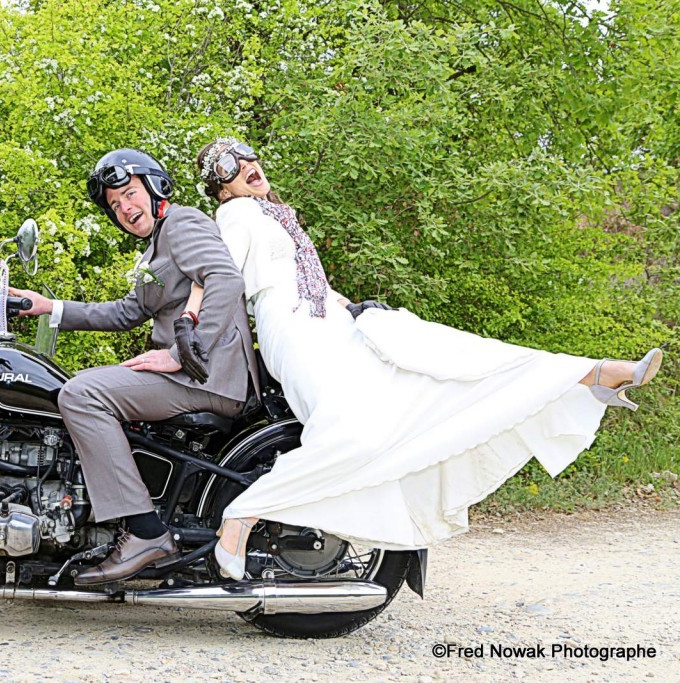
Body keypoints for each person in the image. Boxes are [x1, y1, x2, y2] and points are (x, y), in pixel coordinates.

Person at [187, 137, 664, 580]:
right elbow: (213, 272)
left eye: (248, 154)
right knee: (353, 436)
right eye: (230, 164)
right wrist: (190, 320)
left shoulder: (277, 216)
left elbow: (314, 283)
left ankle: (589, 374)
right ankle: (244, 513)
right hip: (293, 331)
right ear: (220, 186)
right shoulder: (236, 216)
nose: (248, 165)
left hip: (329, 323)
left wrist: (351, 307)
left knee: (438, 369)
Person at [10, 148, 259, 585]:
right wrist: (51, 308)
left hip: (206, 374)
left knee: (81, 394)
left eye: (129, 193)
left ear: (156, 188)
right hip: (193, 373)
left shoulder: (181, 223)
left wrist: (182, 353)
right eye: (115, 204)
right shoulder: (157, 245)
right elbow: (128, 313)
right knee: (82, 387)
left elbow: (225, 279)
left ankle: (145, 533)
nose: (124, 207)